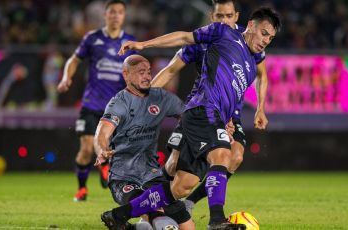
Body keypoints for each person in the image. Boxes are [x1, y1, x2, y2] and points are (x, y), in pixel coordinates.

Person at [107, 7, 281, 230]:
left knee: (181, 186)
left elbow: (234, 88)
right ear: (250, 26)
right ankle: (216, 220)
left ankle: (118, 215)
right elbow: (183, 37)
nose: (266, 40)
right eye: (264, 33)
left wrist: (251, 111)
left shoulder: (251, 65)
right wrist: (144, 45)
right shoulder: (223, 33)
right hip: (202, 109)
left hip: (216, 117)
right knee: (222, 155)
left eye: (271, 38)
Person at [151, 0, 270, 213]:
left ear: (236, 16)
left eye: (228, 16)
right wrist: (143, 96)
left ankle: (189, 204)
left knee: (234, 156)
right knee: (173, 165)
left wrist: (261, 107)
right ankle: (151, 205)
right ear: (211, 17)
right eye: (219, 16)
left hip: (230, 112)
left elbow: (262, 74)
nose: (224, 20)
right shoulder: (203, 40)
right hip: (203, 107)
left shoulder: (250, 39)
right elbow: (170, 70)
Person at [94, 54, 194, 230]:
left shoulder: (161, 98)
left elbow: (191, 116)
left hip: (152, 174)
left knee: (188, 226)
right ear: (126, 75)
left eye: (148, 71)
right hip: (123, 177)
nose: (148, 76)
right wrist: (102, 149)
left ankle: (124, 223)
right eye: (141, 72)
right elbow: (102, 133)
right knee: (156, 213)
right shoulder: (119, 103)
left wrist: (222, 125)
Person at [57, 0, 136, 202]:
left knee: (111, 150)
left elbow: (136, 72)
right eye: (112, 12)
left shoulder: (130, 42)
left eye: (119, 12)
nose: (115, 15)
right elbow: (74, 60)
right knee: (85, 149)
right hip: (91, 104)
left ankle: (106, 167)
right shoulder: (92, 39)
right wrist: (67, 77)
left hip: (116, 108)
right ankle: (82, 189)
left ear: (124, 16)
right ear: (105, 15)